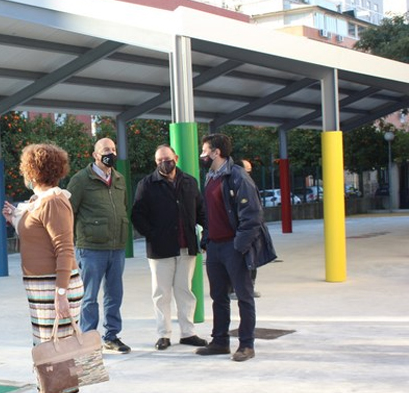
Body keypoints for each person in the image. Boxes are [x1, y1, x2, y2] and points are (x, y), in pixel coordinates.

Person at [195, 134, 276, 362]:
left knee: (243, 296)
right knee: (218, 296)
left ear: (216, 152)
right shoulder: (210, 176)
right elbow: (210, 214)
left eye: (204, 150)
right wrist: (207, 239)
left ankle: (246, 345)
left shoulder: (238, 176)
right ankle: (220, 341)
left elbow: (252, 215)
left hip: (234, 247)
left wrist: (239, 245)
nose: (202, 155)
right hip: (215, 247)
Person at [2, 144, 84, 346]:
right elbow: (37, 236)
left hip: (53, 286)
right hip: (43, 287)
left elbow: (64, 248)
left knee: (58, 353)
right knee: (47, 350)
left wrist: (61, 293)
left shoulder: (53, 202)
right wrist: (14, 218)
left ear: (32, 170)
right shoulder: (39, 201)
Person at [131, 144, 208, 351]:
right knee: (161, 294)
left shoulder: (190, 182)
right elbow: (137, 215)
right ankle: (163, 334)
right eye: (159, 160)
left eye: (167, 158)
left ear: (176, 156)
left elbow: (202, 210)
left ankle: (188, 333)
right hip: (160, 250)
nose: (164, 162)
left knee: (185, 292)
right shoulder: (146, 184)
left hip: (187, 248)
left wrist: (206, 235)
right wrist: (153, 235)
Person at [66, 137, 131, 354]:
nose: (110, 153)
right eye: (105, 150)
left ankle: (112, 336)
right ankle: (88, 339)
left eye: (113, 149)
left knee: (115, 294)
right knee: (89, 296)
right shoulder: (80, 180)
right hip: (91, 248)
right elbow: (69, 212)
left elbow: (123, 207)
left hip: (117, 246)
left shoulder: (120, 179)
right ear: (95, 154)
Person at [229, 159, 261, 299]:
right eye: (247, 171)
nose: (249, 174)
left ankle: (249, 286)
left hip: (252, 230)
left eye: (250, 171)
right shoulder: (235, 183)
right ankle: (233, 288)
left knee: (252, 259)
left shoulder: (249, 184)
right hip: (238, 230)